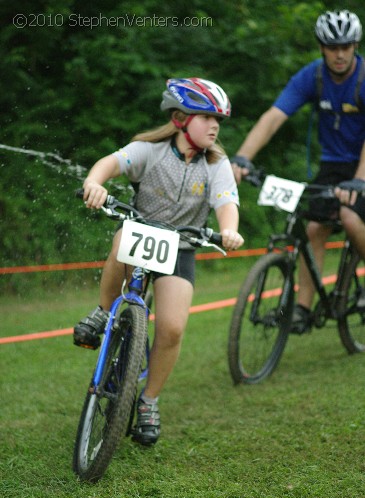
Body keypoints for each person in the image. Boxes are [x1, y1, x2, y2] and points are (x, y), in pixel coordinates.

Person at [73, 77, 244, 446]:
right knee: (123, 237)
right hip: (141, 235)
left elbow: (226, 201)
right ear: (181, 118)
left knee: (172, 328)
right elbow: (110, 163)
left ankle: (149, 400)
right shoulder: (150, 150)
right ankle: (103, 311)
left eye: (219, 120)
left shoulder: (216, 163)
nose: (215, 126)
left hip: (181, 249)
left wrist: (229, 230)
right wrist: (95, 182)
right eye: (206, 117)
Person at [232, 9, 365, 334]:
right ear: (321, 47)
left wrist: (360, 180)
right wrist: (241, 158)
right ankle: (303, 307)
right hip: (334, 166)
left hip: (362, 164)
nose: (339, 53)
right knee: (313, 229)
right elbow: (274, 116)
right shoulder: (313, 76)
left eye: (346, 46)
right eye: (332, 46)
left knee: (350, 217)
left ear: (355, 45)